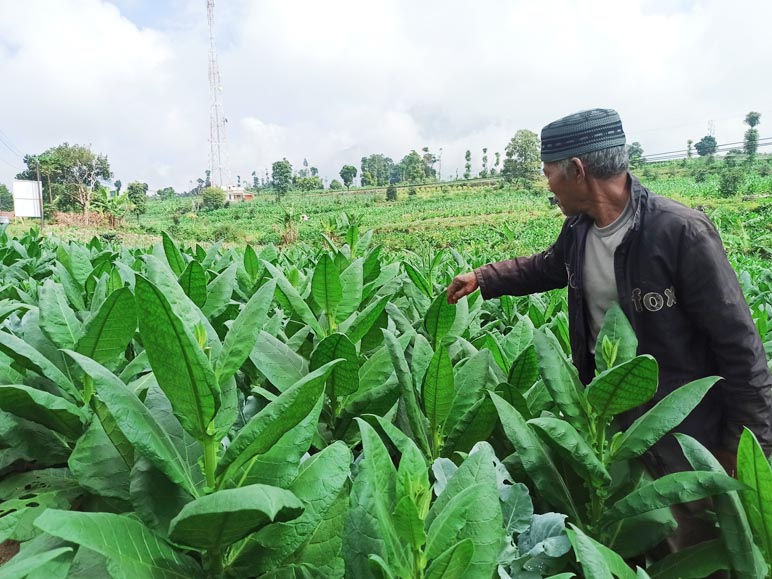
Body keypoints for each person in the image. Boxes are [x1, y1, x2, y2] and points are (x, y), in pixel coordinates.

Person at [446, 108, 772, 554]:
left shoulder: (679, 232)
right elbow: (547, 266)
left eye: (548, 174)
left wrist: (744, 445)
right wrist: (485, 277)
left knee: (697, 549)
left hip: (687, 432)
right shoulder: (579, 230)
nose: (548, 186)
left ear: (577, 171)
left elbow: (740, 348)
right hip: (616, 421)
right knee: (640, 539)